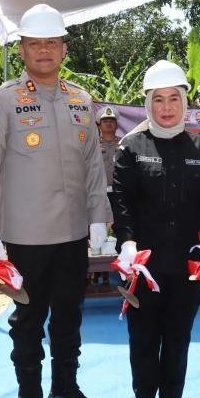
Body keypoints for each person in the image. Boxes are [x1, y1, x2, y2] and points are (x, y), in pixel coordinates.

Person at [0, 4, 112, 398]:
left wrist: (99, 219)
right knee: (28, 321)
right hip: (25, 235)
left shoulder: (80, 100)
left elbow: (92, 164)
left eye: (51, 42)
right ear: (22, 50)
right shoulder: (3, 101)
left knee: (69, 316)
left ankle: (65, 389)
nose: (44, 51)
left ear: (64, 48)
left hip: (72, 234)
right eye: (35, 43)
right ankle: (30, 396)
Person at [111, 60, 200, 398]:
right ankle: (143, 396)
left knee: (178, 333)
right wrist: (126, 242)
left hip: (187, 264)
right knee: (143, 333)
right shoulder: (131, 147)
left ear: (185, 103)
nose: (166, 107)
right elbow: (120, 200)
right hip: (144, 266)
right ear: (148, 104)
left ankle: (173, 396)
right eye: (158, 100)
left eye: (174, 98)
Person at [94, 106, 120, 288]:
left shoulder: (124, 144)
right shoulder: (93, 145)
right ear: (99, 125)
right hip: (100, 194)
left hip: (119, 194)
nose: (108, 124)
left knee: (118, 230)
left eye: (111, 121)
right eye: (105, 121)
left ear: (117, 125)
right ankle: (98, 271)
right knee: (98, 231)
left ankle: (119, 269)